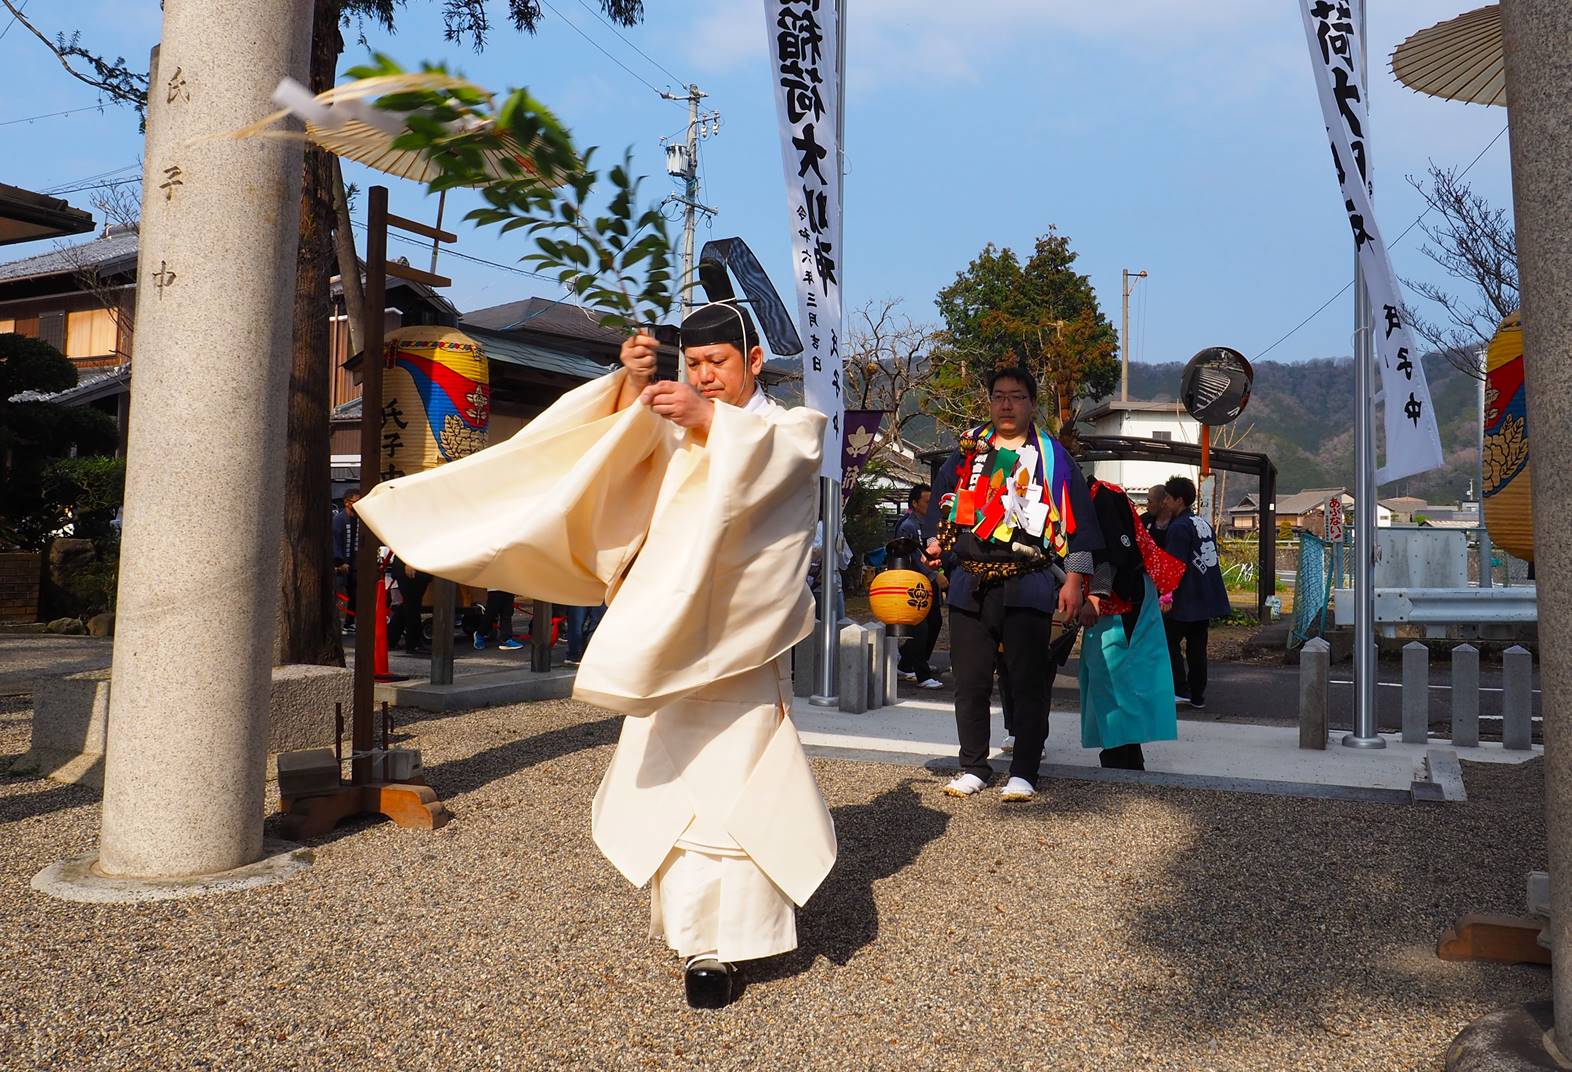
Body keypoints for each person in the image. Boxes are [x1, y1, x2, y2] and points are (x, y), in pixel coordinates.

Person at [354, 299, 835, 1010]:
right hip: (665, 639)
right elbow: (598, 461)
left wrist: (709, 425)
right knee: (672, 782)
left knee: (740, 780)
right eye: (693, 366)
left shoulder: (786, 429)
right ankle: (694, 938)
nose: (704, 379)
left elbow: (781, 467)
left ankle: (733, 941)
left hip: (740, 642)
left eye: (718, 365)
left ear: (754, 363)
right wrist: (627, 386)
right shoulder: (676, 420)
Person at [922, 366, 1102, 803]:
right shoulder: (967, 454)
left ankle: (1024, 768)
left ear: (1031, 403)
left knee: (1028, 679)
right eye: (999, 395)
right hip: (970, 580)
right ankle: (974, 765)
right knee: (970, 680)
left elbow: (1082, 527)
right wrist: (934, 546)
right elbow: (939, 511)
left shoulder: (1054, 459)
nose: (1006, 404)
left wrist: (1076, 580)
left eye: (1016, 396)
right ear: (989, 401)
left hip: (1030, 579)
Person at [1078, 479, 1186, 770]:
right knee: (1110, 680)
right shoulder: (1086, 496)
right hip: (1116, 596)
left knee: (1116, 678)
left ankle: (1121, 761)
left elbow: (1113, 554)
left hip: (1123, 598)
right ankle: (1123, 757)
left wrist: (1096, 597)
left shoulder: (1103, 496)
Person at [1161, 475, 1232, 709]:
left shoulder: (1178, 528)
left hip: (1186, 597)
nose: (1164, 503)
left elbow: (1174, 565)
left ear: (1179, 500)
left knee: (1168, 641)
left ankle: (1181, 689)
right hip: (1205, 595)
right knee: (1197, 648)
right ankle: (1197, 695)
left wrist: (1167, 596)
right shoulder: (1201, 523)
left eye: (1168, 499)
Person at [895, 484, 943, 690]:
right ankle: (922, 673)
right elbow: (914, 558)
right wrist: (934, 575)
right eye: (926, 501)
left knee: (935, 622)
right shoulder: (907, 526)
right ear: (914, 503)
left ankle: (908, 664)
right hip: (913, 584)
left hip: (928, 583)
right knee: (921, 628)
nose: (930, 505)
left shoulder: (929, 524)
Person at [387, 556, 431, 655]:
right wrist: (408, 562)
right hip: (410, 566)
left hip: (418, 566)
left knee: (408, 605)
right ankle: (413, 644)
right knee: (412, 606)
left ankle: (391, 639)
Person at [331, 491, 362, 631]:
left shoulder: (358, 519)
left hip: (354, 564)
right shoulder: (339, 520)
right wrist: (339, 562)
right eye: (355, 501)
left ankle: (350, 622)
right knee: (339, 595)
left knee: (355, 593)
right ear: (347, 502)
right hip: (341, 565)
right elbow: (335, 542)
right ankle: (337, 623)